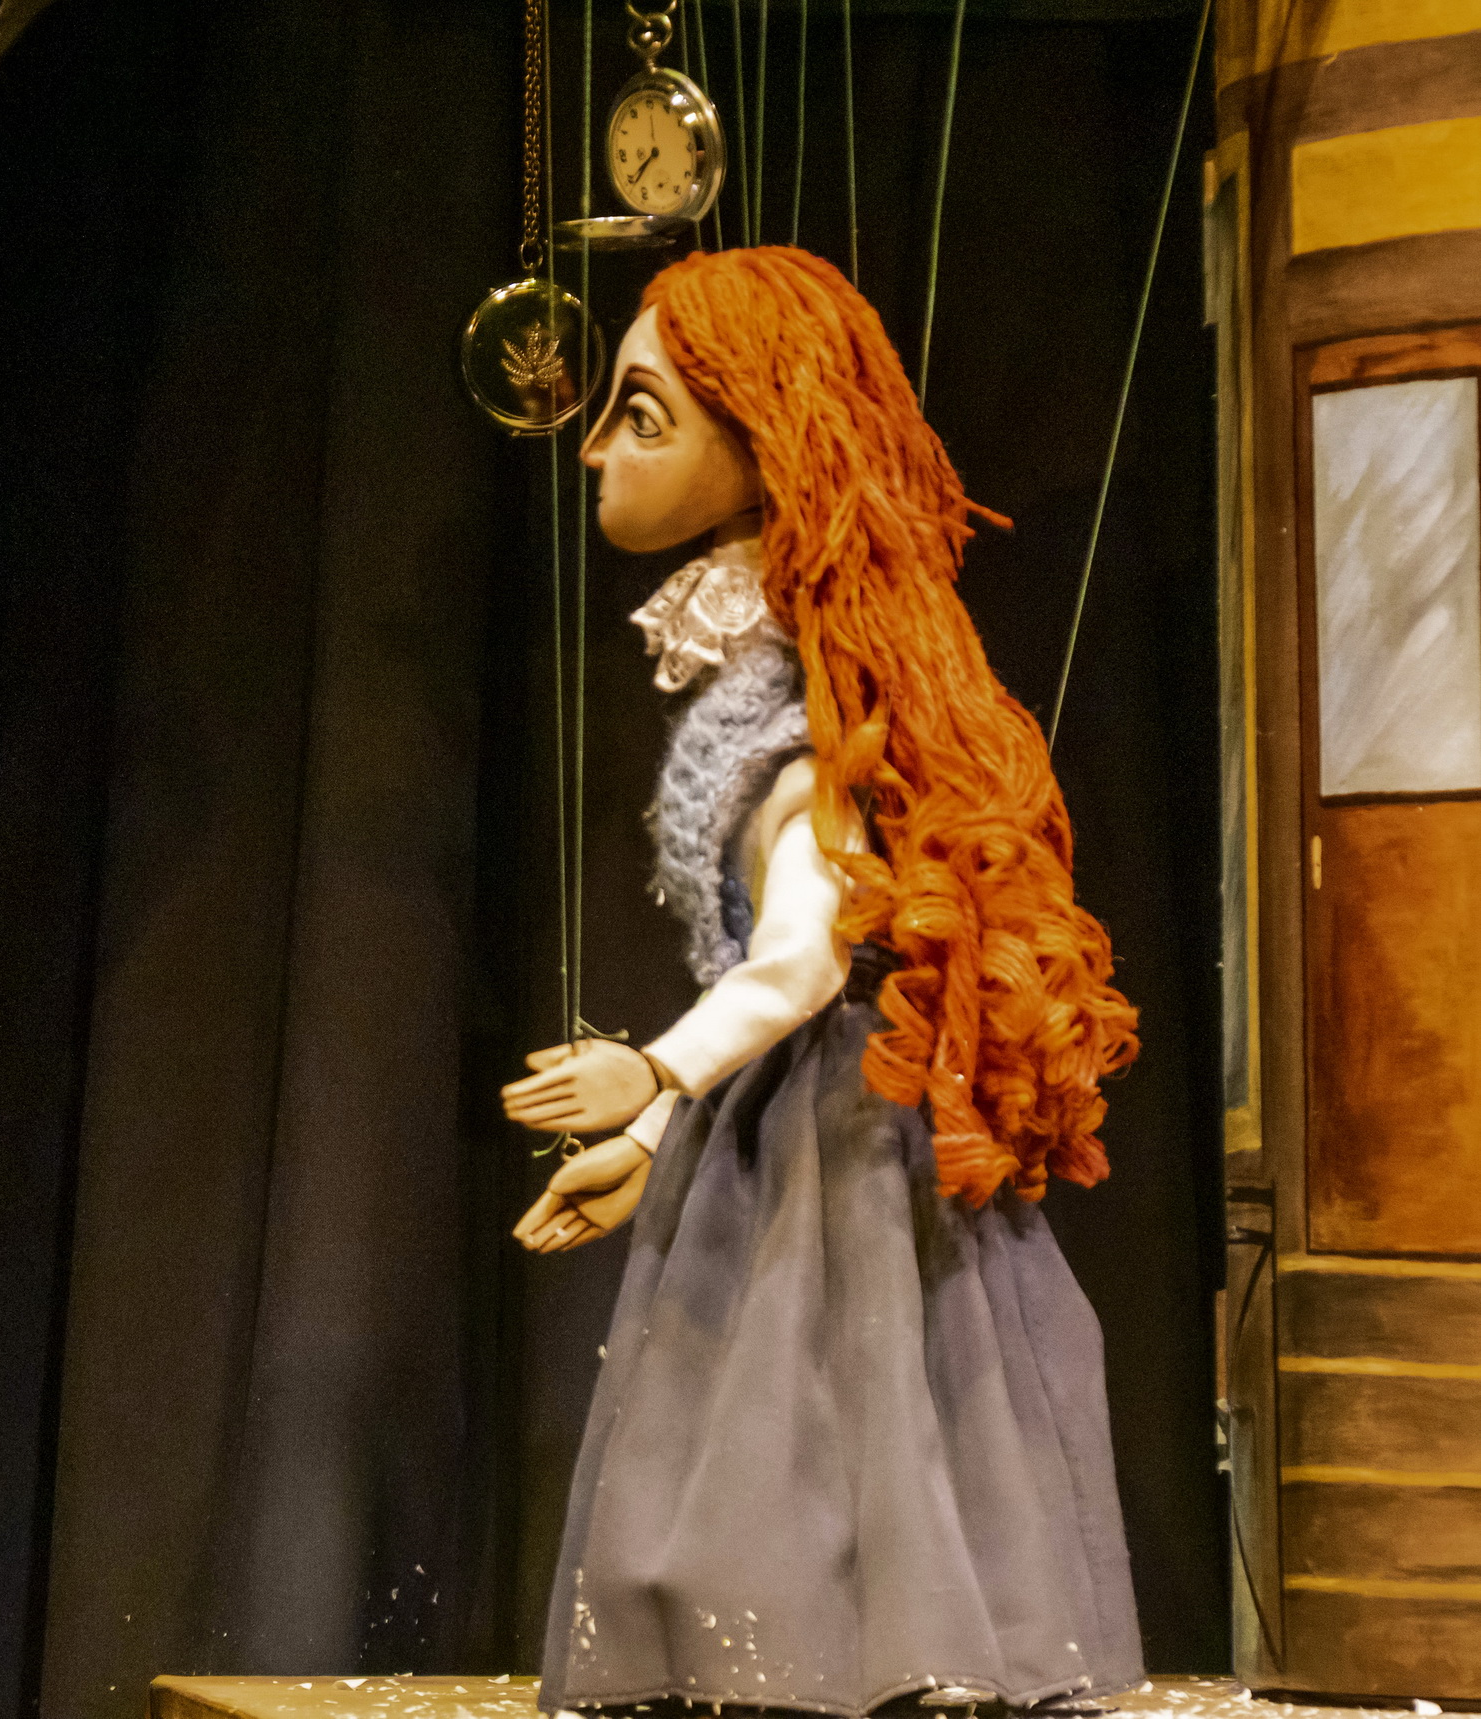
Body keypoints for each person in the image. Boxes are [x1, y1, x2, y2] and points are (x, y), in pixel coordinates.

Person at [501, 247, 1143, 1714]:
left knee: (826, 1415)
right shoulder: (773, 688)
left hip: (839, 1136)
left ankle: (859, 1665)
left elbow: (800, 957)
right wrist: (651, 1139)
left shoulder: (805, 711)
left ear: (756, 447)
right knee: (815, 1417)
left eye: (640, 415)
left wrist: (649, 1071)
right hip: (780, 1123)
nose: (594, 448)